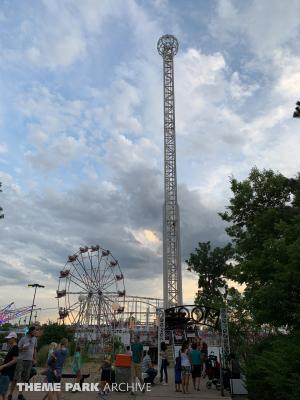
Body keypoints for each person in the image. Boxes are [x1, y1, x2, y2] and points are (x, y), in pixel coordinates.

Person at [13, 326, 38, 400]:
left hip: (29, 360)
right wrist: (22, 348)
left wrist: (35, 359)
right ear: (31, 331)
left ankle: (20, 394)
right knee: (18, 377)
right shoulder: (23, 338)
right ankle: (12, 393)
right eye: (35, 331)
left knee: (25, 378)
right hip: (21, 360)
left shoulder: (35, 339)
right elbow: (17, 348)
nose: (36, 332)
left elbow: (35, 349)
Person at [0, 332, 19, 400]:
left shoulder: (15, 348)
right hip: (5, 371)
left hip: (7, 372)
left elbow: (15, 360)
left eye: (9, 338)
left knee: (2, 389)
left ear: (14, 338)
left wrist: (3, 366)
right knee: (3, 391)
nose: (8, 340)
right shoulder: (12, 347)